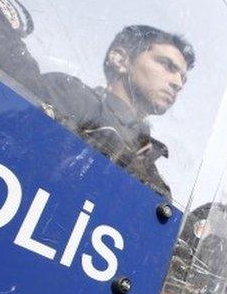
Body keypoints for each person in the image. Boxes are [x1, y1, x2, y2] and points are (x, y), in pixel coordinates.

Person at [43, 24, 195, 197]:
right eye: (167, 65)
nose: (178, 83)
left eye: (183, 78)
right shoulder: (69, 95)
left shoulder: (153, 175)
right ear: (120, 60)